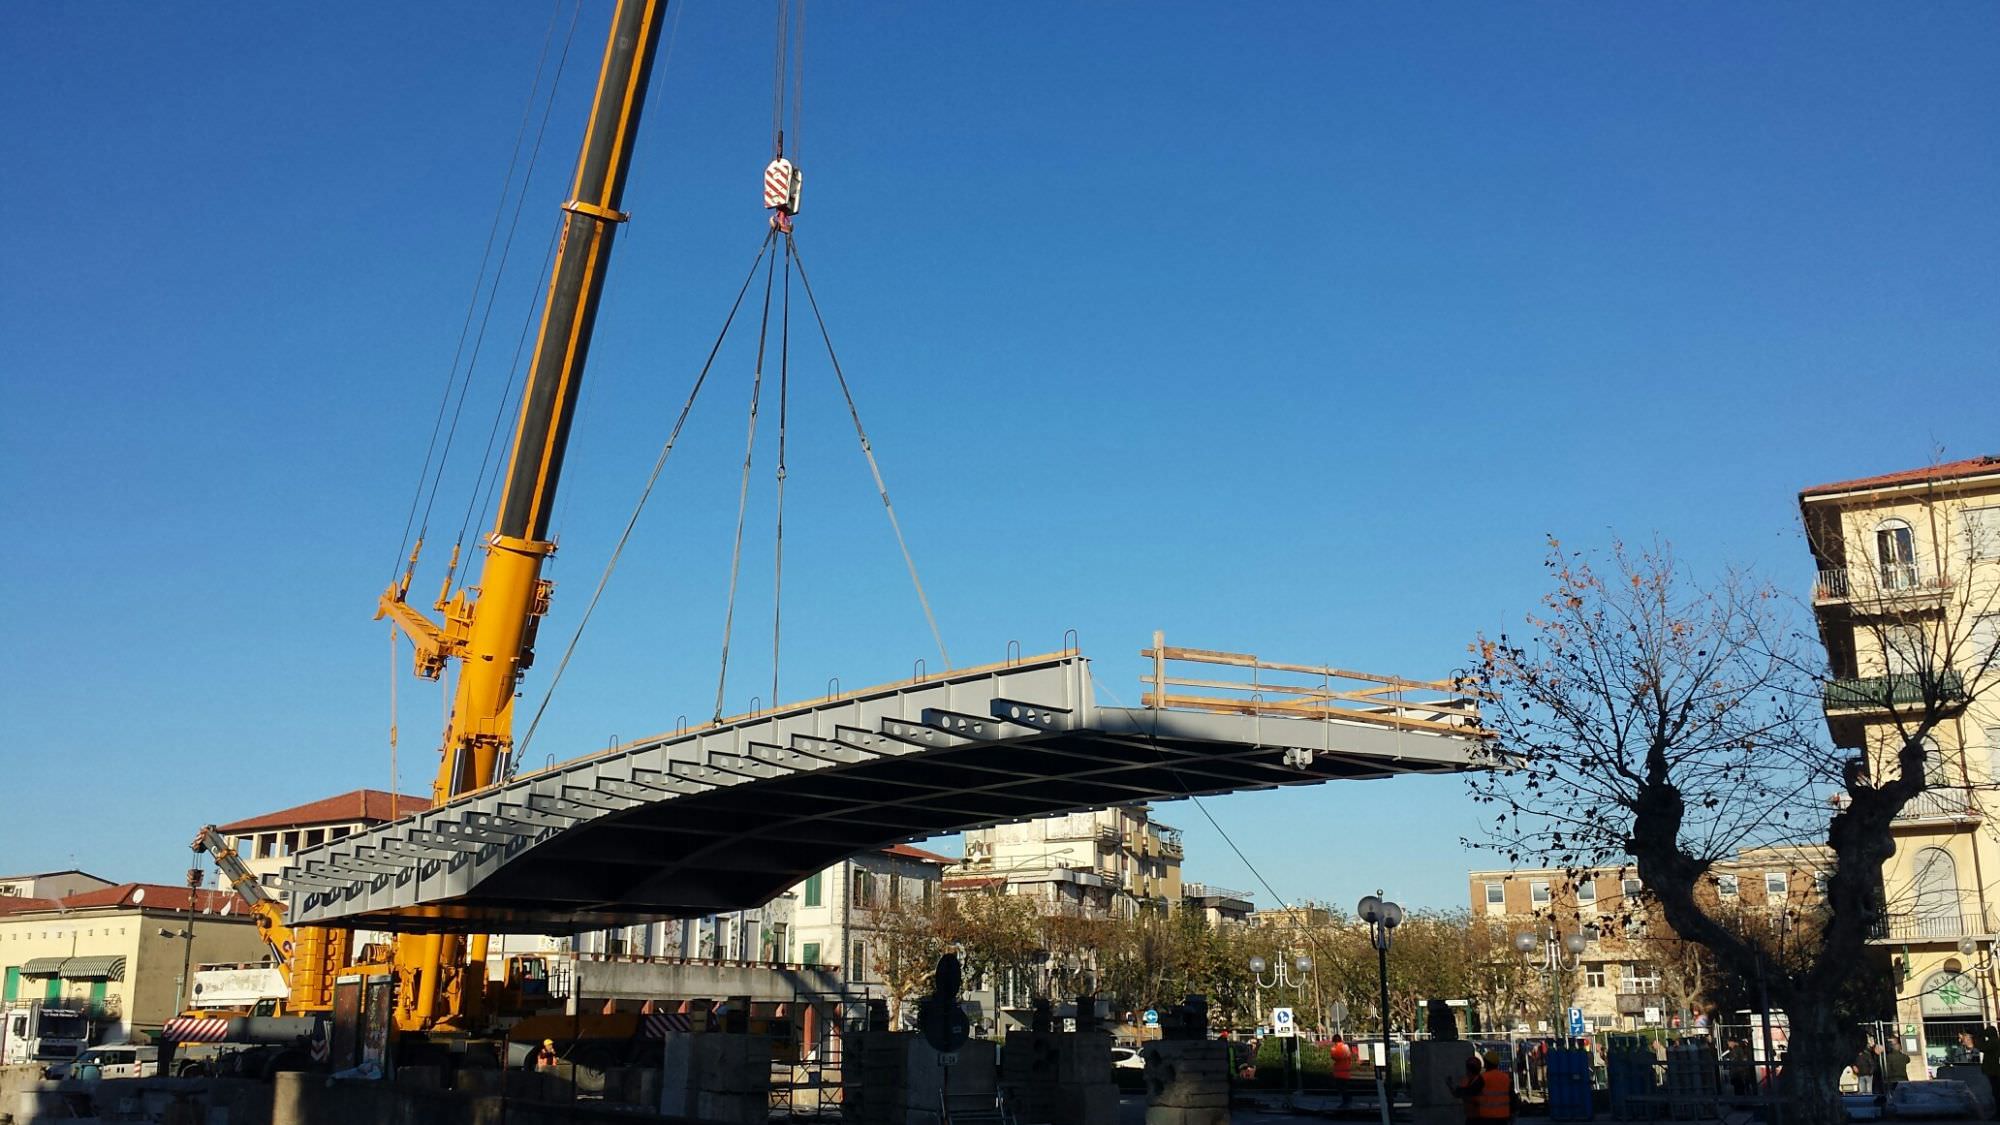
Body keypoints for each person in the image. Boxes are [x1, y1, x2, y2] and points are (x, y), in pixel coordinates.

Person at [1452, 1054, 1485, 1124]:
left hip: (1478, 1118)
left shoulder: (1478, 1082)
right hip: (1473, 1117)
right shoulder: (1470, 1080)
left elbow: (1461, 1093)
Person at [1331, 1034, 1355, 1107]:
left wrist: (1334, 1050)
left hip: (1339, 1071)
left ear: (1334, 1041)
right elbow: (1348, 1056)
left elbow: (1334, 1057)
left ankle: (1346, 1101)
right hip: (1346, 1070)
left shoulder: (1334, 1048)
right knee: (1344, 1086)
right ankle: (1347, 1099)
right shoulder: (1346, 1047)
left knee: (1340, 1087)